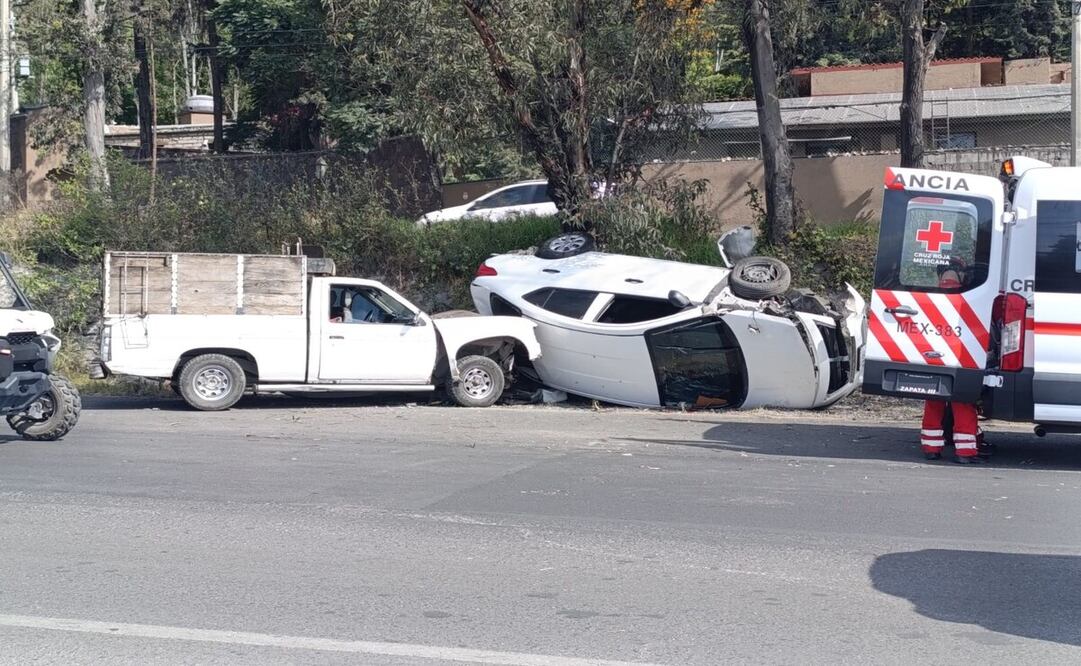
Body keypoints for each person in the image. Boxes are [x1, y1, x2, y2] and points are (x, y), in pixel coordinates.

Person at [919, 260, 987, 464]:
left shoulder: (928, 297)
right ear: (960, 275)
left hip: (934, 357)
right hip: (961, 358)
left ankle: (931, 448)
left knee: (933, 403)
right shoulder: (970, 297)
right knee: (963, 404)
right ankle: (965, 453)